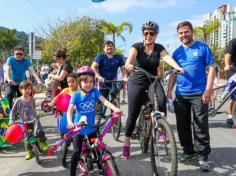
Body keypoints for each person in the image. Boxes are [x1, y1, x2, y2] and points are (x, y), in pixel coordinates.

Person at [124, 21, 184, 160]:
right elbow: (130, 59)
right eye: (146, 33)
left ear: (156, 35)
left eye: (152, 33)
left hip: (152, 80)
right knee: (132, 114)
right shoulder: (137, 47)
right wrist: (128, 65)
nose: (149, 35)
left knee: (161, 101)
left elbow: (167, 58)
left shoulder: (159, 48)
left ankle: (160, 131)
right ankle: (127, 143)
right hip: (137, 81)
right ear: (142, 34)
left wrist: (178, 67)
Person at [167, 21, 215, 172]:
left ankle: (202, 156)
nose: (183, 35)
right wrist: (169, 91)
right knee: (182, 125)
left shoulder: (202, 47)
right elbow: (173, 74)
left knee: (200, 125)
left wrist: (208, 90)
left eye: (186, 32)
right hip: (181, 95)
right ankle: (188, 152)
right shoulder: (177, 52)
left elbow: (212, 68)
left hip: (199, 93)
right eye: (180, 33)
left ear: (191, 31)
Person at [66, 66, 122, 176]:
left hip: (91, 127)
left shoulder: (94, 92)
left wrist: (115, 109)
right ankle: (72, 173)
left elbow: (105, 101)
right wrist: (70, 122)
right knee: (76, 152)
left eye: (91, 81)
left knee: (97, 147)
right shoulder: (76, 95)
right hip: (79, 129)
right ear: (79, 82)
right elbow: (69, 110)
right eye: (85, 82)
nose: (89, 84)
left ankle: (101, 167)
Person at [8, 81, 48, 160]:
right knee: (26, 139)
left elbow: (33, 109)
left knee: (40, 132)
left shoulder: (32, 99)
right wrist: (11, 119)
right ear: (20, 90)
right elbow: (13, 111)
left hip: (34, 120)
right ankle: (29, 151)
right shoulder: (18, 101)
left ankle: (43, 142)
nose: (27, 90)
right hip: (24, 122)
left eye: (29, 89)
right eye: (25, 89)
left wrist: (37, 115)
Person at [91, 40, 127, 114]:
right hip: (103, 83)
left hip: (114, 82)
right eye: (107, 46)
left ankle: (114, 117)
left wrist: (125, 77)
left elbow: (124, 69)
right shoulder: (101, 56)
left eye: (111, 45)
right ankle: (98, 115)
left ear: (113, 47)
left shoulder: (118, 57)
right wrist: (99, 77)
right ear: (104, 48)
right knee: (100, 102)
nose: (109, 47)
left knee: (114, 99)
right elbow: (93, 67)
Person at [223, 38, 236, 128]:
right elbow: (228, 54)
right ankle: (230, 116)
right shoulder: (234, 41)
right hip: (233, 70)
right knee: (234, 97)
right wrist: (227, 65)